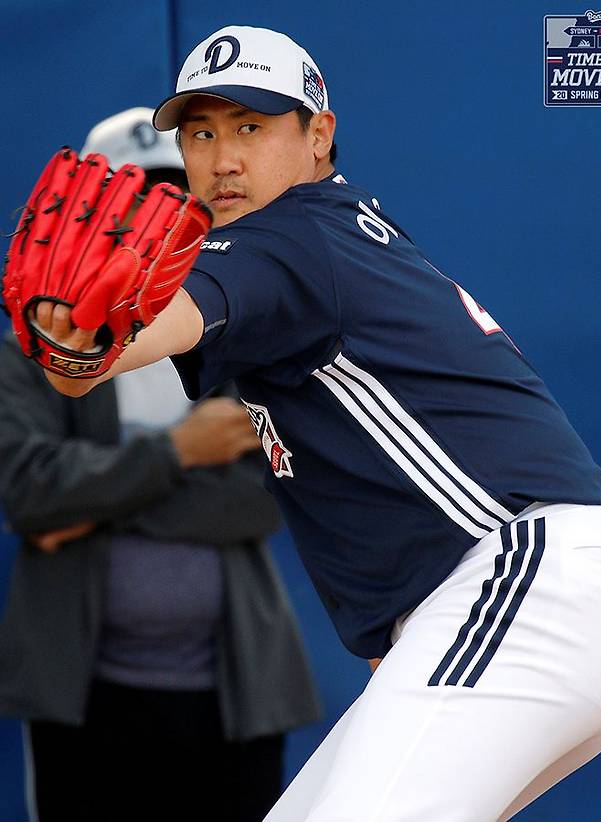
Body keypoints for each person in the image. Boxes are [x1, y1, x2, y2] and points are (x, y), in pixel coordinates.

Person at [8, 25, 601, 822]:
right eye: (202, 132)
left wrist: (84, 346)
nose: (223, 157)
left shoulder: (289, 238)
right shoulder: (332, 238)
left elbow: (158, 325)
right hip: (520, 599)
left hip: (529, 581)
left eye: (251, 126)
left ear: (319, 134)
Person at [0, 106, 321, 822]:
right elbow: (30, 493)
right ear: (86, 214)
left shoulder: (246, 334)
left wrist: (89, 504)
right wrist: (182, 450)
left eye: (178, 200)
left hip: (231, 693)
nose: (157, 226)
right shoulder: (30, 349)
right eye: (137, 200)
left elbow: (261, 500)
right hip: (81, 696)